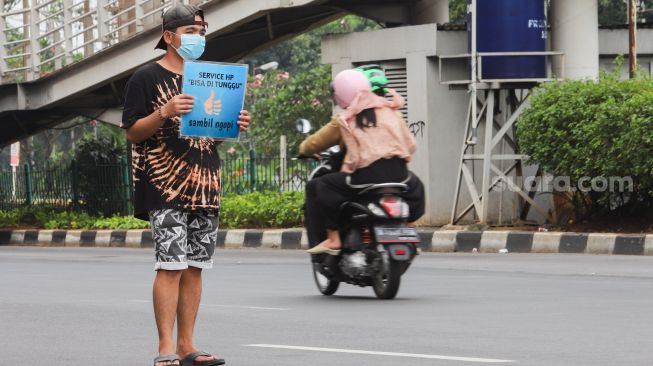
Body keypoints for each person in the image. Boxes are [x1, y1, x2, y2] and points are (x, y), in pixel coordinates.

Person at [121, 5, 251, 366]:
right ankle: (166, 347)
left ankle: (186, 345)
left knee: (195, 266)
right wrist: (164, 111)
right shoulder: (144, 78)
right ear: (169, 37)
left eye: (201, 32)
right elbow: (133, 131)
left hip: (206, 181)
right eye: (190, 32)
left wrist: (231, 125)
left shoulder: (208, 77)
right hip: (165, 185)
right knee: (171, 264)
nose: (198, 38)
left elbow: (206, 138)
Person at [300, 65, 424, 250]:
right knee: (417, 187)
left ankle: (333, 239)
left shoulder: (345, 119)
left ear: (341, 95)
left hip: (366, 176)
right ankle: (406, 229)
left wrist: (305, 151)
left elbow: (316, 146)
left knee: (322, 186)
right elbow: (411, 145)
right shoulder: (392, 110)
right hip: (399, 174)